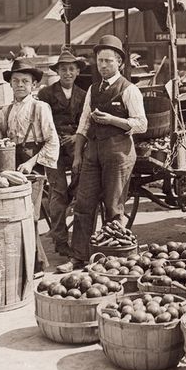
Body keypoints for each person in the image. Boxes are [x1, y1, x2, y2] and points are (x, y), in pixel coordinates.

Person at [58, 35, 147, 273]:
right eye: (100, 61)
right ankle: (79, 256)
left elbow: (141, 124)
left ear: (119, 61)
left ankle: (111, 260)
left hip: (118, 153)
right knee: (84, 204)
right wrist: (78, 155)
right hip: (93, 152)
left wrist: (113, 120)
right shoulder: (92, 89)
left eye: (108, 61)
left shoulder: (129, 90)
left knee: (113, 207)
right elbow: (84, 125)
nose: (103, 65)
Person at [0, 58, 61, 276]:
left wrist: (31, 162)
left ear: (34, 85)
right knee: (12, 214)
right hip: (11, 165)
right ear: (10, 84)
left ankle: (36, 264)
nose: (19, 85)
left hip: (33, 165)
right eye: (15, 81)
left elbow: (52, 140)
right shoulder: (5, 111)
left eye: (25, 81)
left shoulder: (40, 107)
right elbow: (2, 141)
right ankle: (19, 263)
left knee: (30, 216)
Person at [36, 49, 87, 257]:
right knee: (57, 193)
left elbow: (86, 121)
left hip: (75, 146)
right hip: (52, 147)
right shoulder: (46, 94)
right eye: (63, 69)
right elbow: (41, 122)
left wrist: (77, 137)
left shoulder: (83, 95)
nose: (67, 73)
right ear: (57, 72)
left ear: (76, 72)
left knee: (80, 186)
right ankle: (60, 240)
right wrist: (55, 138)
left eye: (71, 69)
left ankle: (79, 233)